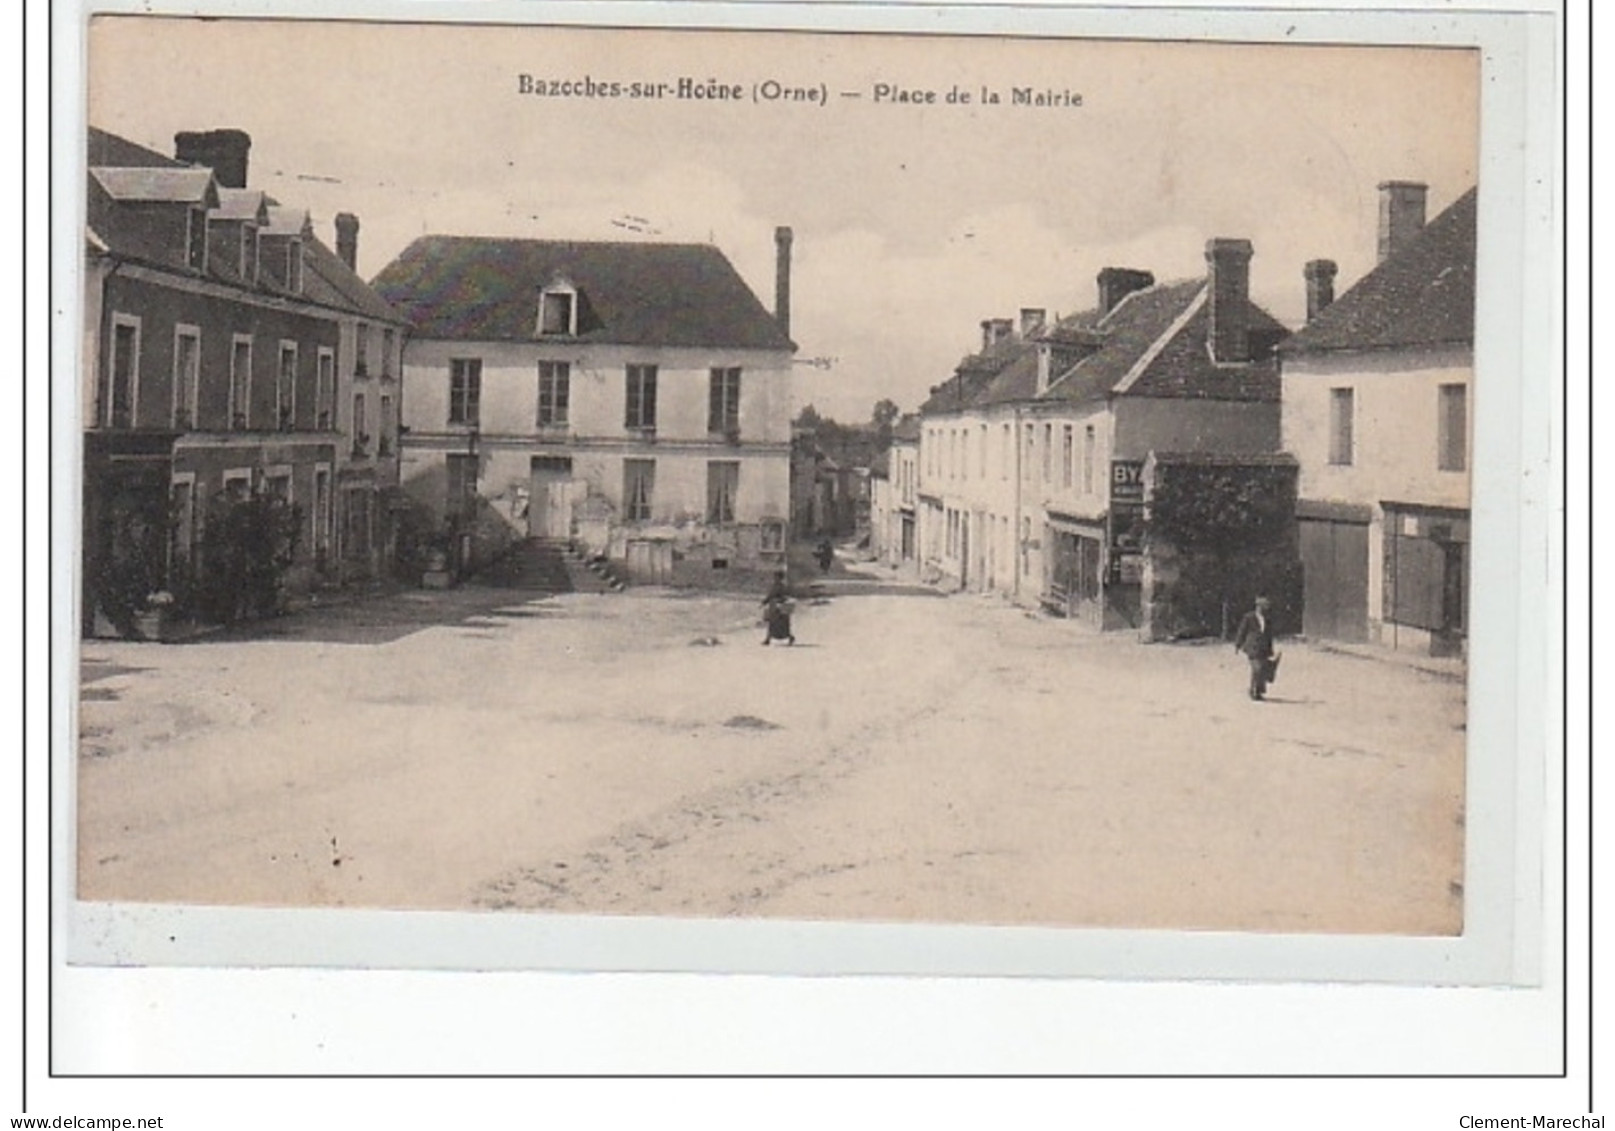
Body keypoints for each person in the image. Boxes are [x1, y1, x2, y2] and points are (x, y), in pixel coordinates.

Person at [1233, 595, 1279, 701]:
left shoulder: (1267, 619)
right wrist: (1238, 644)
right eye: (1262, 606)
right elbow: (1242, 631)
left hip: (1263, 648)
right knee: (1257, 668)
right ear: (1257, 606)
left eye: (1265, 607)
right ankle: (1252, 690)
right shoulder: (1249, 617)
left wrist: (1270, 649)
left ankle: (1258, 692)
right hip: (1252, 647)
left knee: (1261, 669)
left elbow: (1269, 635)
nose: (1264, 609)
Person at [762, 570, 795, 646]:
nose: (775, 578)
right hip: (777, 606)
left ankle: (769, 639)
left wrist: (765, 601)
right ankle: (768, 639)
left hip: (777, 607)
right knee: (776, 624)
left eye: (776, 577)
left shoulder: (778, 587)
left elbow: (771, 595)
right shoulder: (781, 586)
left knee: (775, 624)